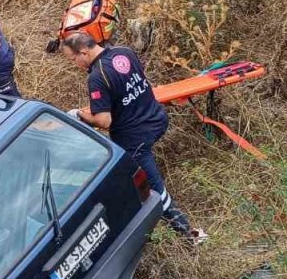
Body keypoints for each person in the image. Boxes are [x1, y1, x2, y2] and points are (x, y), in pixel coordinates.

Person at [59, 31, 207, 244]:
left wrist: (79, 115)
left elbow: (104, 121)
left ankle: (188, 234)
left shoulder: (97, 77)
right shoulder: (124, 52)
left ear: (84, 52)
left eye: (73, 59)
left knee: (154, 188)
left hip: (134, 137)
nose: (74, 64)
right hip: (156, 118)